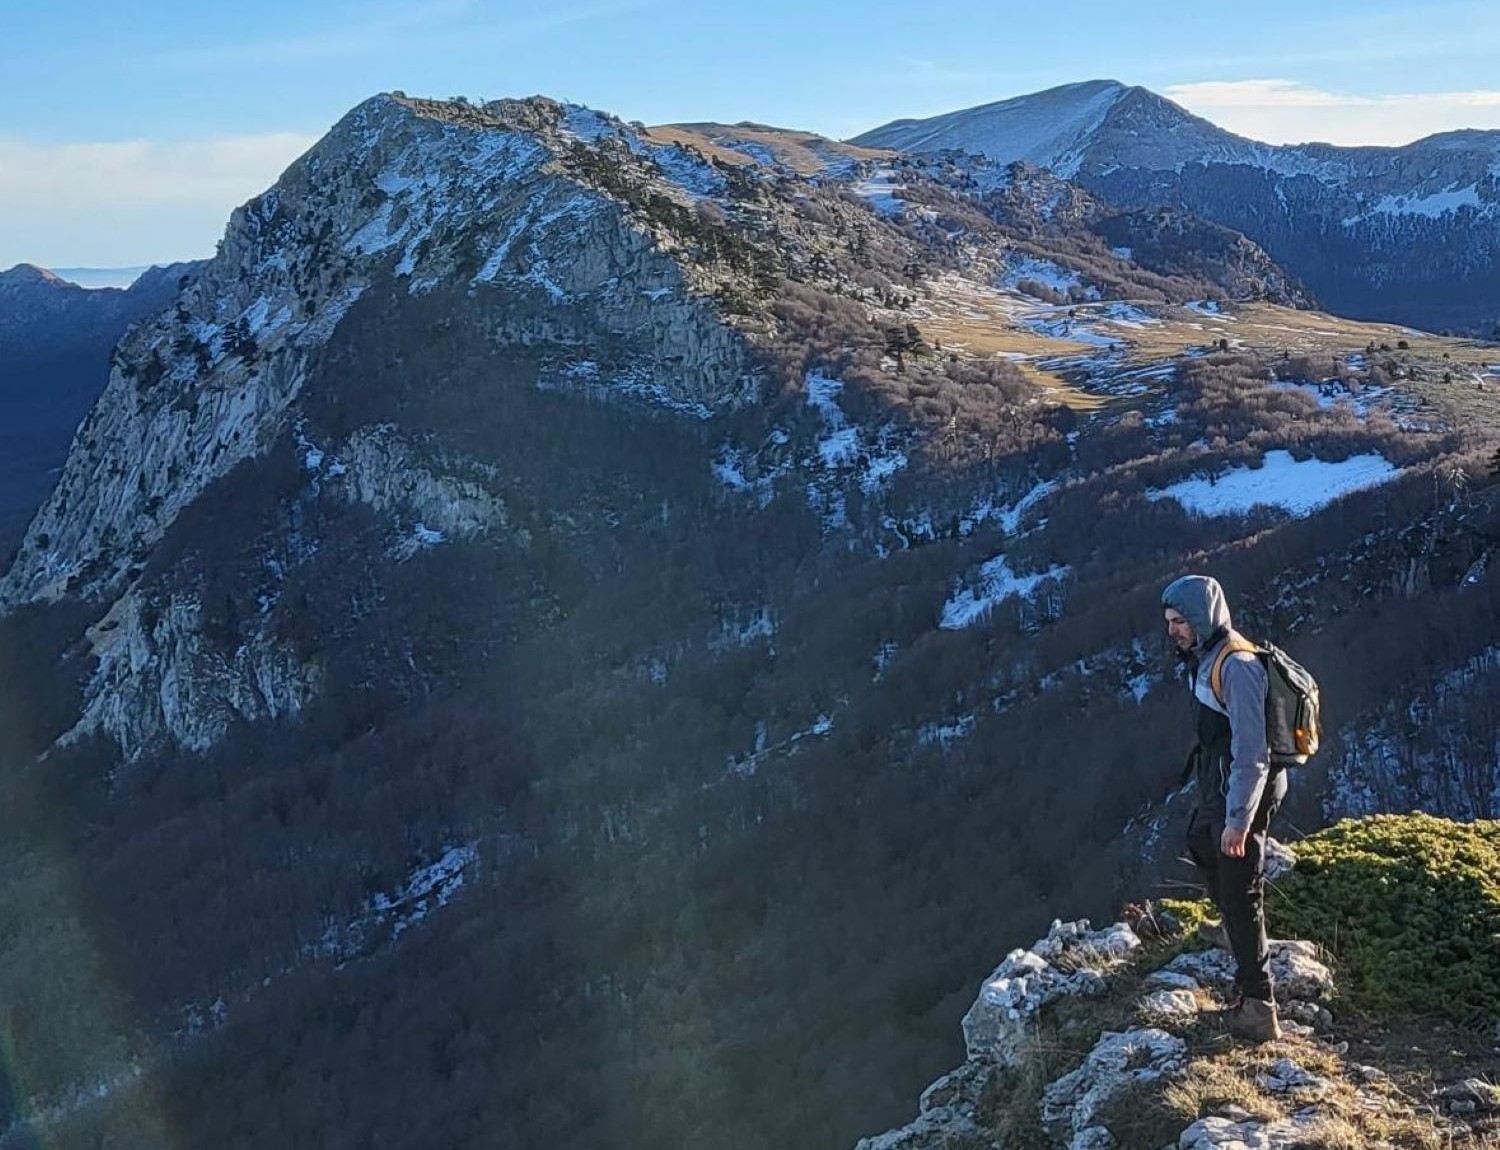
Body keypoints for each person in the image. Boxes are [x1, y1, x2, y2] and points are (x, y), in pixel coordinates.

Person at [1161, 574, 1287, 1042]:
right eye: (1170, 622)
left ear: (1202, 618)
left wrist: (1238, 821)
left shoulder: (1236, 666)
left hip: (1245, 792)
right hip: (1221, 788)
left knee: (1241, 889)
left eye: (1180, 622)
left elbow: (1252, 753)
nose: (1173, 630)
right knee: (1198, 840)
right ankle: (1234, 932)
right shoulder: (1207, 657)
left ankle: (1258, 1007)